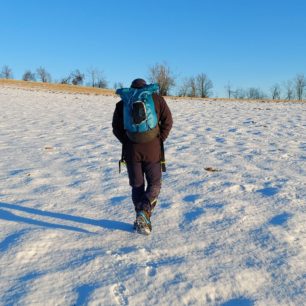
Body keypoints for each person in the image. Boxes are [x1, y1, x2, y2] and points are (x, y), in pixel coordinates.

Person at [112, 78, 173, 235]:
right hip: (153, 150)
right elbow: (168, 121)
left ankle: (141, 217)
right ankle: (143, 214)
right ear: (145, 87)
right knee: (155, 184)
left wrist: (127, 142)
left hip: (131, 151)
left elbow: (116, 128)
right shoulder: (156, 99)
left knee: (137, 186)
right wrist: (159, 139)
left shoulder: (122, 103)